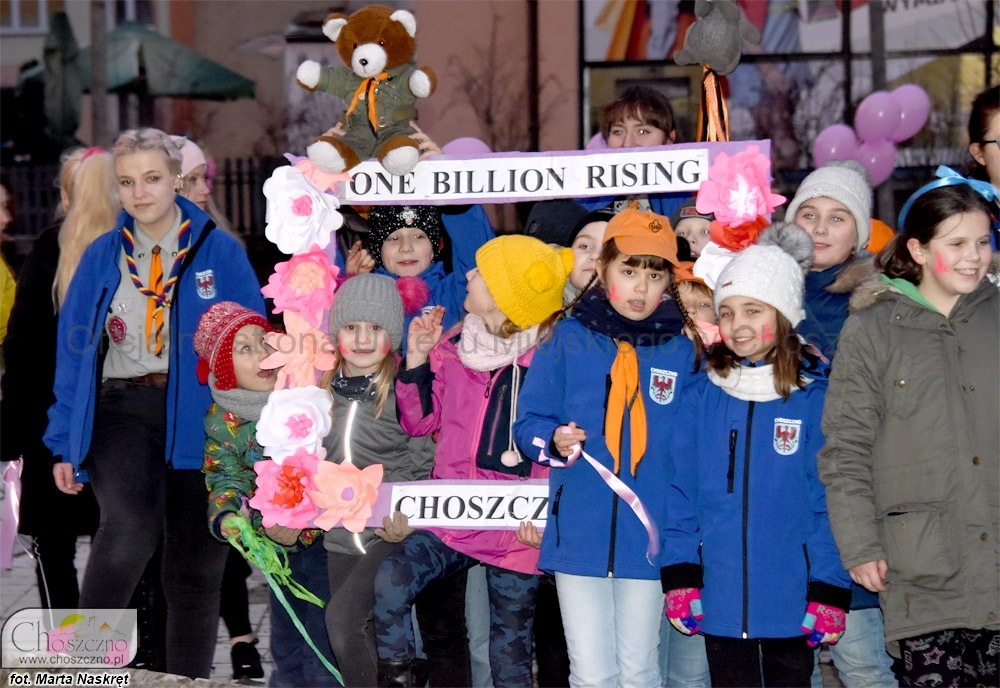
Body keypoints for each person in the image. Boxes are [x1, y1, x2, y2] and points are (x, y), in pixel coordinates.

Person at [45, 128, 264, 679]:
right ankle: (80, 667)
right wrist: (63, 441)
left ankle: (186, 680)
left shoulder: (220, 252)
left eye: (151, 179)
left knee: (196, 569)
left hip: (202, 416)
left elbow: (255, 344)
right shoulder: (102, 256)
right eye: (126, 182)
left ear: (176, 181)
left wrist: (251, 433)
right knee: (130, 525)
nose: (139, 193)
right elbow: (72, 354)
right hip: (122, 409)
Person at [513, 207, 708, 688]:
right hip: (579, 532)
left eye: (655, 275)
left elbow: (693, 452)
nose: (641, 288)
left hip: (650, 538)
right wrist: (553, 441)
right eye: (628, 271)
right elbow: (528, 423)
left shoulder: (682, 352)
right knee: (591, 673)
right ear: (602, 269)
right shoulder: (565, 337)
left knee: (639, 671)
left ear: (670, 280)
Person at [818, 176, 999, 687]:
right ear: (917, 250)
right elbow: (845, 447)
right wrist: (860, 545)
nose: (973, 257)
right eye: (956, 244)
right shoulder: (873, 328)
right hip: (923, 569)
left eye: (982, 242)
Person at [374, 234, 571, 688]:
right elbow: (420, 422)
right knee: (391, 581)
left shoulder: (549, 358)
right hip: (452, 516)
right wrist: (417, 359)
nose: (468, 274)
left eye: (482, 272)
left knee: (509, 652)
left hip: (515, 527)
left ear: (504, 295)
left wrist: (546, 520)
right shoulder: (454, 343)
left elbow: (557, 445)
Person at [662, 223, 851, 687]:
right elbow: (680, 491)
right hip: (720, 596)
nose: (738, 324)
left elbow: (830, 500)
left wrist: (829, 586)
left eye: (753, 310)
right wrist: (681, 574)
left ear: (783, 314)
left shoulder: (813, 399)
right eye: (726, 312)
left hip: (793, 598)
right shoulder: (701, 395)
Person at [320, 273, 471, 688]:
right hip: (339, 538)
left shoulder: (403, 389)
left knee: (342, 621)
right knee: (360, 638)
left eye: (376, 328)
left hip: (387, 534)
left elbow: (423, 463)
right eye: (351, 327)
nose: (362, 339)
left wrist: (405, 516)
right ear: (336, 333)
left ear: (393, 335)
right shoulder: (320, 391)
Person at [784, 159, 898, 686]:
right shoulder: (763, 293)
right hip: (782, 500)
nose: (820, 229)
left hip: (846, 500)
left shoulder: (875, 304)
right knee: (790, 663)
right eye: (808, 214)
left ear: (859, 233)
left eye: (837, 217)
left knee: (862, 661)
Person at [196, 300, 339, 688]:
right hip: (277, 549)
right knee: (287, 642)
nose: (261, 353)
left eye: (264, 341)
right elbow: (225, 476)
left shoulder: (306, 392)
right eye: (244, 348)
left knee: (323, 640)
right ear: (225, 368)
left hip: (329, 540)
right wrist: (227, 515)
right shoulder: (222, 419)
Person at [1, 149, 114, 609]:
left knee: (54, 546)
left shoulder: (52, 248)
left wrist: (11, 433)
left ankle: (76, 643)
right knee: (124, 542)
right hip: (122, 420)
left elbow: (23, 349)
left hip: (50, 422)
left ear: (68, 197)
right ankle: (134, 643)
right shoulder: (138, 248)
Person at [174, 134, 262, 681]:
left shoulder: (221, 247)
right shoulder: (119, 250)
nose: (205, 189)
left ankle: (239, 638)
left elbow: (252, 330)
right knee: (141, 542)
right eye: (195, 179)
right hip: (143, 421)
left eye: (205, 178)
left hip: (211, 415)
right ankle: (119, 657)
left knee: (216, 533)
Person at [364, 203, 495, 335]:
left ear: (434, 248)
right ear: (378, 251)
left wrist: (456, 205)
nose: (406, 248)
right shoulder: (365, 297)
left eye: (418, 237)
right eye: (394, 238)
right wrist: (354, 284)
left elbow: (476, 255)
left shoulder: (453, 293)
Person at [584, 85, 689, 221]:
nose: (627, 143)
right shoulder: (586, 198)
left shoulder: (690, 198)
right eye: (618, 132)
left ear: (669, 138)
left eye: (642, 131)